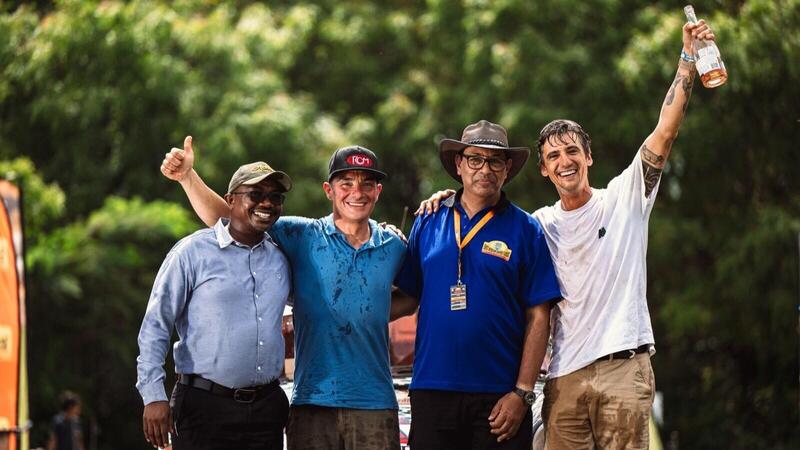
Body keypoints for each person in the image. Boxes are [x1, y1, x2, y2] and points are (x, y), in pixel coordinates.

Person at [417, 19, 717, 450]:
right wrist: (448, 198)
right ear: (543, 169)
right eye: (554, 155)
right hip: (563, 375)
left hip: (622, 367)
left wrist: (688, 58)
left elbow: (665, 131)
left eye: (573, 151)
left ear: (588, 157)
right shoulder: (536, 225)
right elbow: (484, 220)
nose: (565, 161)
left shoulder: (625, 198)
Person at [160, 140, 406, 450]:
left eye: (367, 184)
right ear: (329, 190)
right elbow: (232, 218)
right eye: (346, 183)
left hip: (375, 403)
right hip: (312, 403)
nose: (357, 192)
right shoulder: (301, 234)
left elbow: (416, 294)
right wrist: (187, 177)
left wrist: (369, 311)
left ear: (378, 191)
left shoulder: (395, 247)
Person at [392, 120, 561, 450]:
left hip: (499, 398)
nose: (485, 169)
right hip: (432, 390)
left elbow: (539, 317)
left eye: (495, 161)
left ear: (507, 169)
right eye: (475, 159)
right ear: (459, 164)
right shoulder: (428, 220)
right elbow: (407, 298)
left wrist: (522, 393)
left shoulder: (527, 229)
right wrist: (350, 312)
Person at [136, 161, 293, 449]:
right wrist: (153, 395)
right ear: (230, 200)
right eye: (256, 194)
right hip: (203, 408)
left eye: (275, 197)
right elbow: (156, 325)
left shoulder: (281, 258)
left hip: (267, 410)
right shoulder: (192, 252)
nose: (267, 203)